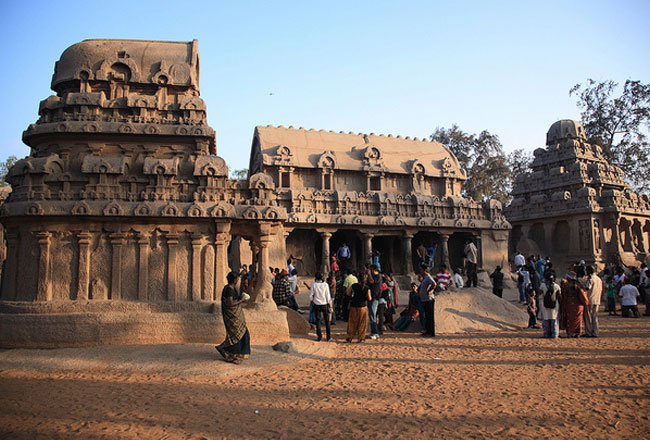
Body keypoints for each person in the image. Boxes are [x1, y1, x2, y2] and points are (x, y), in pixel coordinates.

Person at [215, 271, 250, 364]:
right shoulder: (229, 289)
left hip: (235, 314)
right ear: (234, 280)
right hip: (232, 315)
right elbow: (230, 304)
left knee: (240, 333)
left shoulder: (230, 288)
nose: (238, 280)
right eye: (237, 278)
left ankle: (230, 354)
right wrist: (241, 300)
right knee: (237, 335)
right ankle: (226, 350)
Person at [560, 271, 588, 338]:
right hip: (577, 305)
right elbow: (583, 295)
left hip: (569, 304)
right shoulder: (578, 286)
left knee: (570, 318)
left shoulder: (566, 286)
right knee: (577, 319)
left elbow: (563, 295)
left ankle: (570, 333)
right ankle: (577, 333)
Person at [310, 272, 332, 341]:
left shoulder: (314, 285)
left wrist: (313, 301)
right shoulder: (325, 285)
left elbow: (311, 296)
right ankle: (328, 336)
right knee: (327, 321)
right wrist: (330, 305)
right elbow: (328, 296)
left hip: (317, 304)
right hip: (324, 304)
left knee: (318, 321)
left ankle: (319, 336)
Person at [583, 266, 602, 337]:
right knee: (595, 317)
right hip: (597, 300)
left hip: (590, 299)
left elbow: (587, 288)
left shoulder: (590, 279)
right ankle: (595, 332)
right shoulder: (598, 279)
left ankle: (589, 332)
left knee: (588, 317)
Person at [418, 266, 437, 337]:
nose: (420, 271)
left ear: (425, 270)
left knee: (430, 316)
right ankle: (427, 331)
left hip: (429, 299)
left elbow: (434, 284)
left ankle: (431, 332)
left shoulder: (428, 277)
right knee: (427, 316)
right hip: (425, 299)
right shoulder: (425, 278)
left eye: (421, 270)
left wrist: (429, 291)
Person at [367, 265, 382, 339]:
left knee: (373, 315)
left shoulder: (378, 276)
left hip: (375, 298)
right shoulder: (373, 277)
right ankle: (373, 331)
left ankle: (375, 332)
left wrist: (369, 274)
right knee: (371, 315)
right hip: (371, 298)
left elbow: (372, 282)